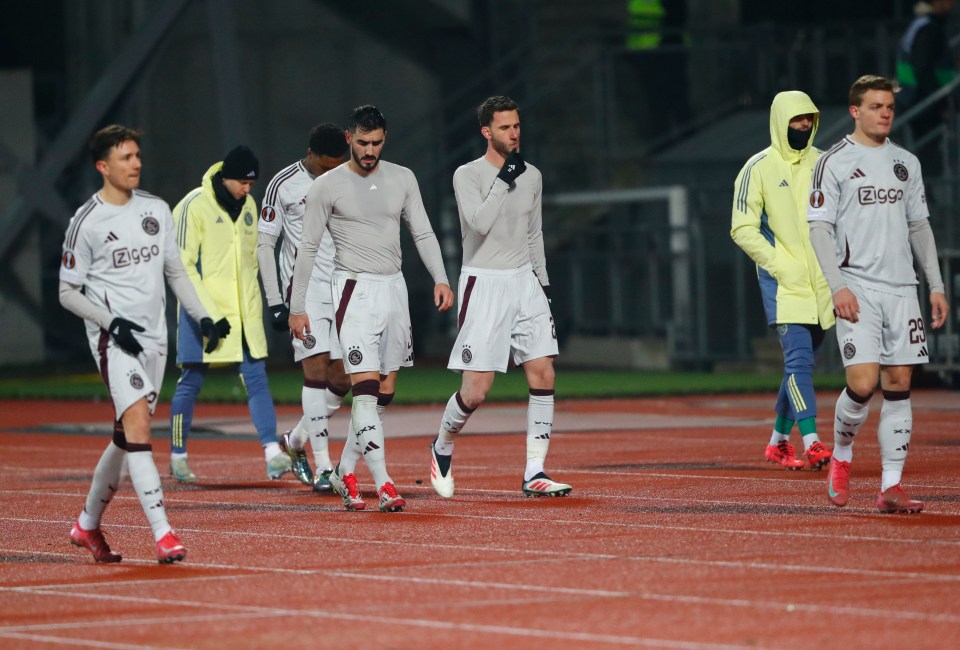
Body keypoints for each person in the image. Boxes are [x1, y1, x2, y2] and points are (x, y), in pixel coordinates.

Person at [60, 125, 225, 563]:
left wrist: (203, 316)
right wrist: (111, 323)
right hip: (114, 342)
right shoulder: (87, 222)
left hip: (155, 340)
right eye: (125, 157)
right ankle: (164, 533)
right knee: (137, 428)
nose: (135, 163)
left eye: (137, 155)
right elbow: (66, 292)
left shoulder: (155, 209)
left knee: (122, 437)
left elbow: (175, 272)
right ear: (103, 166)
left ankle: (87, 525)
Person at [289, 105, 454, 513]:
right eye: (362, 142)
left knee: (384, 393)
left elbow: (423, 230)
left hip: (394, 289)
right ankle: (383, 484)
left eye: (376, 142)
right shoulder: (326, 187)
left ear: (385, 139)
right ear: (349, 138)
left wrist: (441, 277)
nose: (369, 150)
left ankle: (346, 469)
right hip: (354, 290)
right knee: (363, 391)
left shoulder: (402, 178)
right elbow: (307, 248)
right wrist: (297, 307)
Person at [807, 74, 950, 513]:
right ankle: (843, 457)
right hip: (858, 287)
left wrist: (936, 285)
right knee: (863, 382)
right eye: (876, 106)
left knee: (900, 382)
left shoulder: (906, 161)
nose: (885, 113)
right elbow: (819, 229)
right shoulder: (833, 161)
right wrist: (839, 286)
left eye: (889, 106)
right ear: (855, 111)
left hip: (903, 288)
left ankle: (891, 486)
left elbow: (919, 226)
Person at [429, 95, 572, 500]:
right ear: (486, 132)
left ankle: (535, 472)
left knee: (543, 372)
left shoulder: (533, 176)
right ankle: (441, 446)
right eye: (505, 127)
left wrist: (543, 287)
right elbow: (478, 223)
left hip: (524, 280)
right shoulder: (467, 175)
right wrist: (505, 178)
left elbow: (534, 234)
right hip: (484, 282)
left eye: (517, 126)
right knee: (476, 390)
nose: (514, 133)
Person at [168, 146, 292, 482]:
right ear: (225, 177)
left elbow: (253, 263)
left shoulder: (250, 207)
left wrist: (269, 304)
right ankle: (178, 456)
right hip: (202, 315)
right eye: (241, 182)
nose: (247, 189)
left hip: (244, 315)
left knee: (256, 379)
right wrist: (207, 314)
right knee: (190, 382)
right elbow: (181, 267)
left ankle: (272, 453)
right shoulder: (193, 205)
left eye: (251, 184)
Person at [731, 91, 835, 472]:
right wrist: (781, 266)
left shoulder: (825, 162)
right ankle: (812, 441)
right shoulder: (757, 167)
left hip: (824, 285)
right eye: (796, 119)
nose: (803, 125)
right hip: (783, 284)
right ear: (780, 121)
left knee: (799, 367)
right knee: (799, 362)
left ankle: (777, 442)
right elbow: (742, 228)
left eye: (809, 118)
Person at [257, 123, 351, 492]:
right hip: (305, 290)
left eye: (336, 167)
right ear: (311, 154)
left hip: (344, 285)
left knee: (343, 378)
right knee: (315, 371)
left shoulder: (350, 177)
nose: (331, 174)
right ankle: (325, 467)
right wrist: (276, 301)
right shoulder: (283, 184)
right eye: (326, 167)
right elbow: (266, 244)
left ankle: (295, 440)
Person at [896, 0, 957, 171]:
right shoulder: (930, 29)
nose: (953, 4)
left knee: (924, 156)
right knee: (927, 157)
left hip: (911, 97)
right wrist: (942, 103)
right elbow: (924, 69)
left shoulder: (921, 24)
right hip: (921, 102)